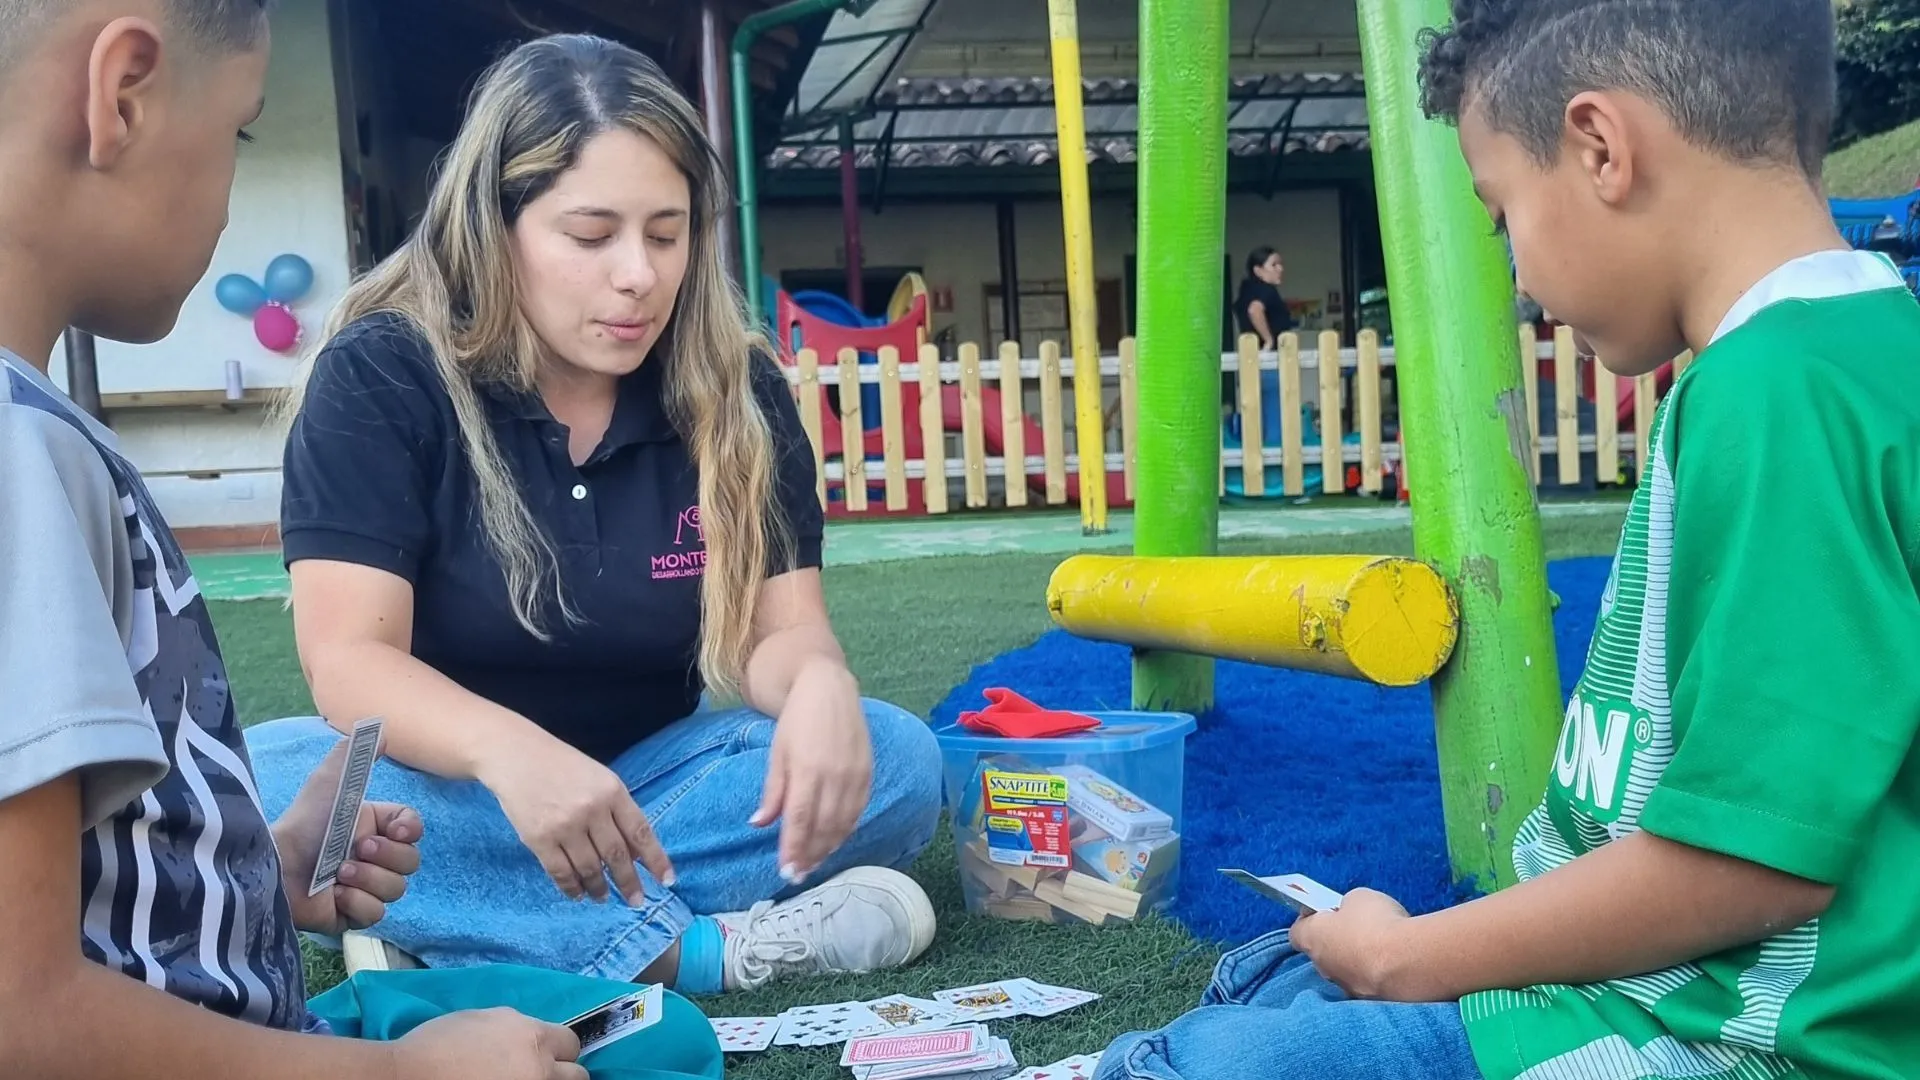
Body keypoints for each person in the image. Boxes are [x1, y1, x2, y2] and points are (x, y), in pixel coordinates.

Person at [1096, 2, 1920, 1079]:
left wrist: (1410, 958)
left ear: (1599, 148)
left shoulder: (1779, 399)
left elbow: (1749, 864)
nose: (1519, 279)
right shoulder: (1851, 356)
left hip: (1715, 1034)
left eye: (1500, 214)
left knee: (1194, 1062)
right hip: (1636, 984)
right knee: (1268, 990)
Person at [245, 34, 944, 996]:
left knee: (898, 757)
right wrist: (511, 756)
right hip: (445, 784)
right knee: (261, 781)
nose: (639, 276)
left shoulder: (736, 389)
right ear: (497, 226)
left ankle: (461, 929)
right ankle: (693, 952)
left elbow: (780, 637)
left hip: (656, 786)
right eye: (590, 235)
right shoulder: (383, 375)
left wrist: (819, 681)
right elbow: (350, 664)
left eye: (667, 233)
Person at [0, 1, 619, 1077]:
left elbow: (89, 904)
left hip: (254, 1017)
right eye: (238, 132)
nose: (232, 202)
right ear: (123, 94)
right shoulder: (16, 455)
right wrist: (394, 1074)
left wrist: (262, 878)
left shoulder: (39, 435)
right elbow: (22, 1012)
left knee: (620, 1038)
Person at [1233, 247, 1295, 350]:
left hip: (1251, 352)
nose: (1280, 269)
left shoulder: (1246, 290)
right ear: (1258, 271)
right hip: (1269, 356)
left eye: (1280, 264)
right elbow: (1254, 310)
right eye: (1274, 265)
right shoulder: (1266, 290)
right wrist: (1268, 341)